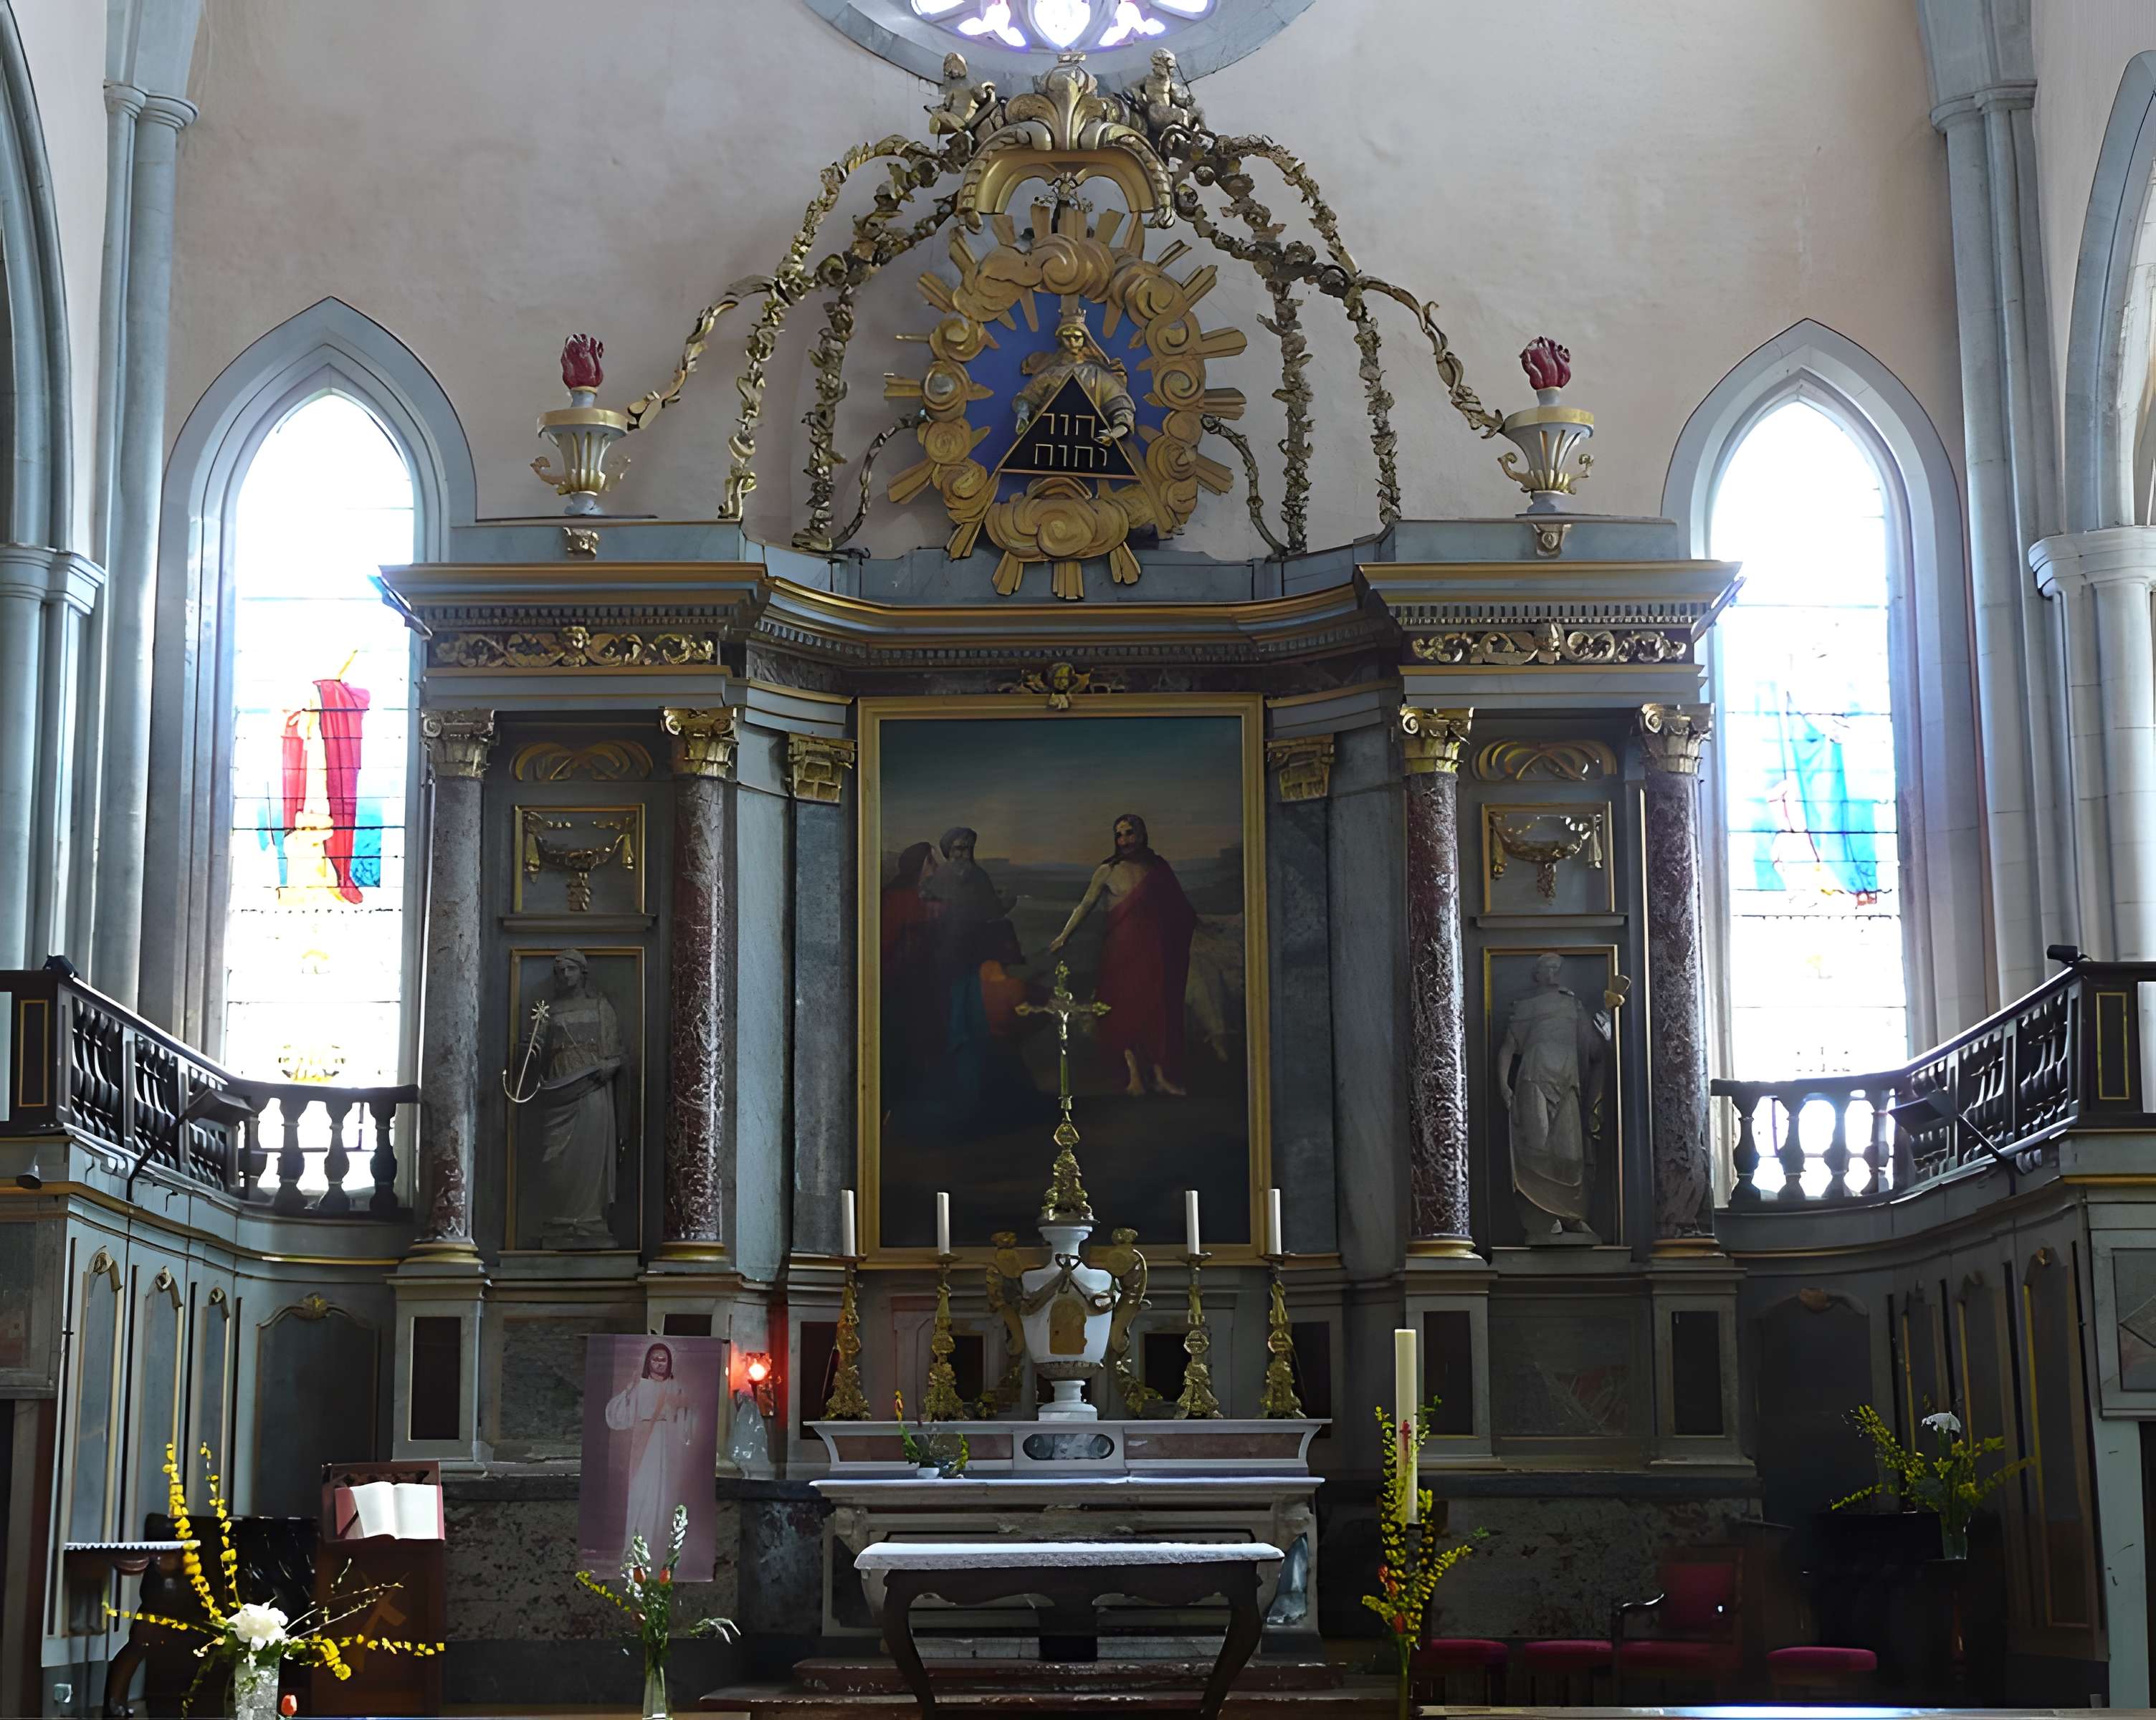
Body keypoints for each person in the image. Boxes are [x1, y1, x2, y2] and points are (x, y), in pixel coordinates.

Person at [1049, 813, 1198, 1098]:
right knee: (1123, 1006)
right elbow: (1085, 905)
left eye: (1130, 833)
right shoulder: (1107, 870)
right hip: (1121, 948)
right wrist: (1064, 936)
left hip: (1155, 949)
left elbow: (1179, 907)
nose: (1125, 840)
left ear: (1142, 834)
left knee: (1157, 1006)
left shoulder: (1158, 867)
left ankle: (1159, 1075)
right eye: (1119, 834)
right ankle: (1134, 1078)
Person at [1494, 952, 1610, 1243]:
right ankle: (1541, 1219)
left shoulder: (1573, 1005)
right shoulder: (1526, 1007)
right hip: (1534, 1079)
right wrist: (1503, 1085)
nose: (1552, 973)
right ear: (1537, 974)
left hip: (1568, 1081)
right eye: (1547, 968)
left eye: (1556, 969)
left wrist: (1609, 1031)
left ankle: (1571, 1217)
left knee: (1571, 1153)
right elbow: (1509, 1047)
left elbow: (1593, 1049)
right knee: (1537, 1146)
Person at [519, 950, 622, 1248]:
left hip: (591, 1090)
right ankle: (561, 1219)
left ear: (582, 973)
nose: (565, 976)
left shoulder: (602, 1008)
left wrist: (605, 1068)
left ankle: (589, 1222)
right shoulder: (549, 1010)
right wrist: (530, 1047)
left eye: (571, 970)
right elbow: (534, 1054)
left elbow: (615, 1055)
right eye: (560, 971)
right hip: (558, 1089)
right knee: (555, 1157)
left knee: (589, 1157)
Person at [604, 1342, 695, 1564]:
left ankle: (660, 1549)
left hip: (670, 1445)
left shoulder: (677, 1387)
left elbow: (689, 1420)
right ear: (648, 1361)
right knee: (641, 1493)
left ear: (669, 1362)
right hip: (645, 1445)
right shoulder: (640, 1386)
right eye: (655, 1358)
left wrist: (682, 1409)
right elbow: (619, 1416)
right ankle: (636, 1551)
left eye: (663, 1359)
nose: (659, 1363)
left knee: (665, 1496)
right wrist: (628, 1390)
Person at [1012, 307, 1137, 445]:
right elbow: (1027, 398)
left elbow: (1120, 404)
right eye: (1067, 337)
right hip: (1052, 441)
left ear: (1083, 339)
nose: (1072, 342)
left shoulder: (1097, 374)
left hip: (1089, 443)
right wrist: (1023, 416)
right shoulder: (1050, 374)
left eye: (1076, 337)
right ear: (1060, 340)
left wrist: (1117, 430)